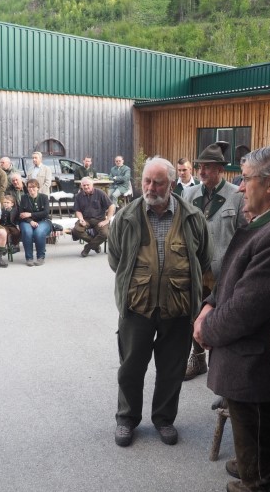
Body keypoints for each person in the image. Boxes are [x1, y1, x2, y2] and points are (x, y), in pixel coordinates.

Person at [193, 146, 270, 492]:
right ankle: (262, 470)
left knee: (259, 457)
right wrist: (209, 304)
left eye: (246, 179)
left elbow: (245, 309)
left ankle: (258, 481)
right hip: (251, 361)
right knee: (261, 437)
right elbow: (234, 278)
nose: (239, 187)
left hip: (255, 364)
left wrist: (205, 329)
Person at [108, 157, 211, 448]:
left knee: (171, 370)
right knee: (131, 368)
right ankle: (127, 419)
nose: (151, 188)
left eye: (158, 183)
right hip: (136, 307)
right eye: (147, 182)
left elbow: (203, 259)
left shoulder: (192, 217)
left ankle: (164, 419)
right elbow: (116, 260)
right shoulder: (126, 217)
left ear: (172, 185)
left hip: (178, 308)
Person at [181, 141, 246, 380]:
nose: (202, 171)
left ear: (220, 169)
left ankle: (221, 366)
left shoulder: (236, 195)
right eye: (200, 166)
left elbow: (244, 236)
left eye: (207, 167)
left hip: (224, 270)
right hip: (196, 269)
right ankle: (198, 359)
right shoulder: (189, 194)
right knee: (194, 314)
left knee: (221, 318)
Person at [72, 177, 115, 257]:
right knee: (76, 230)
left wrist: (107, 220)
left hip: (99, 220)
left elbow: (111, 206)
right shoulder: (79, 196)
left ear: (92, 185)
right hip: (86, 219)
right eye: (84, 185)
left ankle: (88, 247)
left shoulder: (100, 193)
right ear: (81, 186)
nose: (86, 187)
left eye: (88, 185)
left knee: (105, 234)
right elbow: (78, 210)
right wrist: (81, 219)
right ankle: (95, 245)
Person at [18, 179, 52, 266]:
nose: (31, 189)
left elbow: (45, 212)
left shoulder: (44, 197)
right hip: (27, 221)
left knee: (39, 232)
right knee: (27, 232)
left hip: (43, 220)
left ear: (38, 188)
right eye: (29, 187)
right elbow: (22, 214)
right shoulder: (24, 198)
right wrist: (30, 221)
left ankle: (40, 257)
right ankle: (29, 258)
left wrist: (30, 214)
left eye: (33, 187)